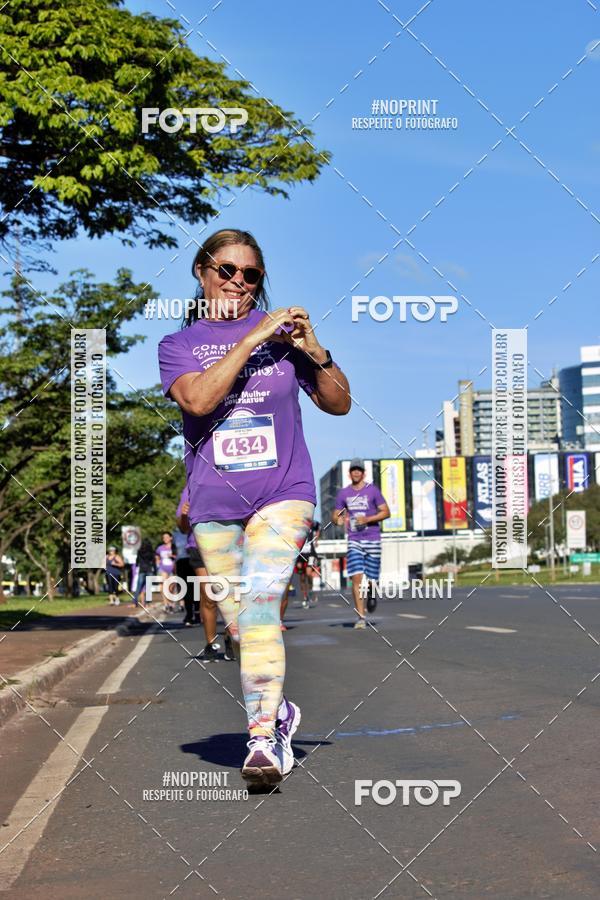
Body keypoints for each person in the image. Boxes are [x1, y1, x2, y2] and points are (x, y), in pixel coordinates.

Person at [158, 228, 350, 785]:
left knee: (262, 608)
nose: (239, 282)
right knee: (244, 626)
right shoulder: (178, 344)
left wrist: (314, 349)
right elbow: (197, 399)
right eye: (228, 270)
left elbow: (338, 402)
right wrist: (248, 339)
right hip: (215, 502)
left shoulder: (284, 340)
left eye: (252, 275)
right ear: (202, 272)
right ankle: (282, 711)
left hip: (284, 492)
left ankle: (262, 741)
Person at [176, 484, 234, 659]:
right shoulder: (189, 488)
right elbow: (183, 527)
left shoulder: (231, 482)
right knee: (208, 595)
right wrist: (185, 515)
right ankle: (211, 643)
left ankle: (231, 639)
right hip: (199, 545)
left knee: (228, 594)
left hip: (228, 543)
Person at [333, 459, 390, 628]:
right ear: (349, 473)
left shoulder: (372, 491)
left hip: (372, 538)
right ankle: (361, 617)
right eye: (353, 470)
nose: (356, 473)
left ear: (363, 473)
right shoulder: (343, 494)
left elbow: (386, 512)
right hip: (354, 540)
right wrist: (338, 519)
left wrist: (368, 519)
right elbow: (335, 515)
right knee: (356, 577)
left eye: (359, 470)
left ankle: (372, 591)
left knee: (372, 578)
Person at [155, 531, 177, 612]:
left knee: (171, 587)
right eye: (163, 537)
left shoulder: (174, 547)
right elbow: (157, 555)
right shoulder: (160, 548)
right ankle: (166, 604)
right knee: (163, 586)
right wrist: (157, 562)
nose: (165, 539)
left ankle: (171, 603)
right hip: (163, 569)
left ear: (171, 538)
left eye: (167, 537)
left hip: (173, 569)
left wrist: (172, 556)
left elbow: (178, 556)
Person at [132, 538, 155, 607]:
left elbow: (137, 561)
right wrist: (155, 570)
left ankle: (135, 602)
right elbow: (153, 562)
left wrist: (136, 566)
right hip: (149, 569)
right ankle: (148, 603)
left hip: (141, 569)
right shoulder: (151, 552)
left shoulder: (140, 551)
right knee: (148, 587)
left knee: (139, 586)